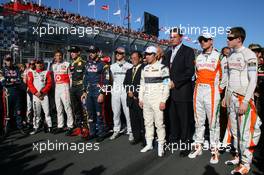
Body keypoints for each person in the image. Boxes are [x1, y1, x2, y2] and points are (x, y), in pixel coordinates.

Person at [222, 27, 262, 174]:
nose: (228, 40)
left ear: (239, 39)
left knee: (245, 133)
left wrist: (245, 101)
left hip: (242, 99)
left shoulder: (249, 54)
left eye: (231, 38)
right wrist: (226, 97)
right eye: (228, 37)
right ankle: (238, 156)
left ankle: (246, 163)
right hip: (231, 98)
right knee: (234, 130)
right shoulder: (230, 56)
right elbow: (229, 79)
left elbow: (253, 80)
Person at [188, 33, 227, 164]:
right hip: (198, 90)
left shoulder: (219, 57)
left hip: (212, 91)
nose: (202, 42)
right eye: (201, 40)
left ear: (211, 41)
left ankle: (214, 150)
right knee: (198, 120)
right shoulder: (198, 57)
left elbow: (224, 78)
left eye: (205, 40)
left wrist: (219, 91)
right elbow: (196, 74)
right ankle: (198, 146)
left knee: (213, 123)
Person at [162, 27, 195, 149]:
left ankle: (185, 143)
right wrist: (167, 83)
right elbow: (164, 72)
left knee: (184, 119)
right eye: (170, 37)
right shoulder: (168, 53)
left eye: (174, 37)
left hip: (182, 91)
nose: (172, 39)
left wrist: (175, 83)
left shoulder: (188, 51)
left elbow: (189, 71)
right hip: (169, 92)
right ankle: (173, 140)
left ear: (181, 38)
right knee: (172, 118)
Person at [139, 46, 170, 157]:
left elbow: (166, 85)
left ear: (155, 55)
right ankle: (149, 144)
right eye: (146, 54)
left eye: (149, 54)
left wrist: (163, 100)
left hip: (157, 99)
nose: (147, 56)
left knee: (159, 124)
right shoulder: (144, 68)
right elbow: (142, 85)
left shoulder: (163, 68)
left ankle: (161, 145)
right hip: (146, 99)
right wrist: (140, 98)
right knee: (147, 122)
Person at [81, 45, 110, 142]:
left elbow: (107, 80)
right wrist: (84, 91)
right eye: (89, 52)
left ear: (97, 52)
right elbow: (85, 78)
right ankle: (92, 133)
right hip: (89, 92)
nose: (91, 53)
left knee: (99, 114)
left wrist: (102, 93)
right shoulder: (87, 64)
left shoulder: (103, 64)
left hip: (98, 91)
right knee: (90, 114)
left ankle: (101, 133)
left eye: (93, 52)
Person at [109, 47, 133, 141]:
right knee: (116, 112)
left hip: (125, 91)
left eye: (120, 53)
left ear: (124, 54)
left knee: (127, 112)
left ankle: (130, 131)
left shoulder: (129, 66)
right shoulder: (112, 66)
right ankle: (116, 130)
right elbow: (111, 80)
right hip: (115, 90)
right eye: (116, 53)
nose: (117, 54)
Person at [0, 54, 26, 135]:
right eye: (7, 60)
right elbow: (3, 83)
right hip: (8, 94)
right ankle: (7, 129)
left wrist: (10, 80)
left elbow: (19, 81)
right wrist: (12, 81)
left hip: (17, 93)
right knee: (8, 112)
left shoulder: (17, 69)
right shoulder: (2, 70)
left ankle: (20, 127)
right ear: (5, 61)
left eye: (10, 60)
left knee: (18, 111)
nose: (9, 62)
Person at [123, 51, 145, 145]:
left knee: (143, 120)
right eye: (132, 58)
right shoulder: (129, 70)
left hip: (140, 99)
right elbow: (125, 83)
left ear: (140, 58)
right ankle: (137, 137)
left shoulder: (144, 69)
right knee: (134, 120)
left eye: (135, 58)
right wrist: (129, 91)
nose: (133, 60)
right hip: (131, 99)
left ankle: (145, 139)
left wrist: (135, 93)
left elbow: (145, 84)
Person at [27, 58, 53, 134]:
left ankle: (50, 126)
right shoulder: (31, 73)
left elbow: (49, 84)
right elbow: (30, 84)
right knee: (36, 113)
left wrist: (42, 92)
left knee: (47, 112)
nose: (39, 64)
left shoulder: (47, 72)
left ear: (43, 64)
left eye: (40, 63)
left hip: (44, 95)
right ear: (35, 64)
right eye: (37, 63)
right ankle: (36, 127)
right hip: (35, 96)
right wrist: (36, 93)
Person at [52, 50, 74, 135]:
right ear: (55, 57)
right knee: (58, 108)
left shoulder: (67, 64)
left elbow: (70, 77)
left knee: (67, 106)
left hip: (65, 87)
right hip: (57, 87)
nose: (58, 57)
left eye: (60, 55)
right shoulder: (53, 66)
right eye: (57, 55)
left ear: (62, 56)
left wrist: (69, 88)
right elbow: (54, 78)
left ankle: (70, 125)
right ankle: (60, 125)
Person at [68, 46, 87, 137]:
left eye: (74, 52)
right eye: (71, 52)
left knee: (83, 108)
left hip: (81, 87)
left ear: (79, 53)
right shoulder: (71, 64)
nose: (72, 53)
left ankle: (85, 127)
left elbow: (86, 78)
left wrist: (85, 90)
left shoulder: (84, 63)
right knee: (75, 108)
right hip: (73, 88)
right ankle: (78, 127)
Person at [23, 60, 36, 127]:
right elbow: (24, 81)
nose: (32, 65)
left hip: (36, 91)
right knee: (29, 107)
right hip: (29, 91)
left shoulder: (37, 70)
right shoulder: (26, 71)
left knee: (35, 107)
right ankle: (28, 120)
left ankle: (35, 121)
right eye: (30, 64)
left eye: (33, 64)